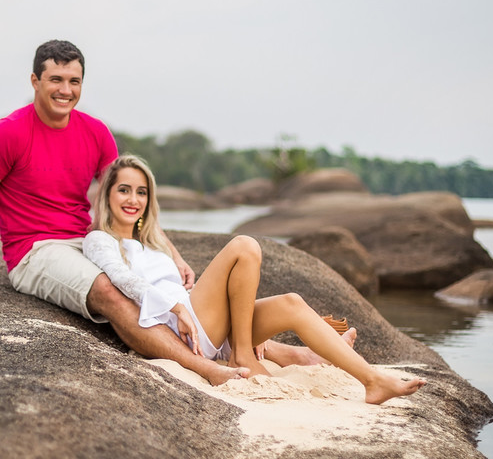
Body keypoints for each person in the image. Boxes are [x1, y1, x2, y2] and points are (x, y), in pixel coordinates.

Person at [0, 39, 248, 385]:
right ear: (35, 81)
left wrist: (172, 254)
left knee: (157, 285)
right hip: (36, 250)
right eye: (55, 79)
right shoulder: (5, 134)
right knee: (109, 289)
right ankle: (204, 368)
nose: (65, 90)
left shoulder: (96, 132)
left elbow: (127, 203)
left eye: (74, 81)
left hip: (89, 240)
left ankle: (257, 351)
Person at [83, 155, 427, 404]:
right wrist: (178, 305)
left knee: (291, 303)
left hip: (203, 320)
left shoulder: (154, 241)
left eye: (141, 192)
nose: (133, 200)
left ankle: (372, 380)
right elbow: (121, 280)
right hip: (178, 327)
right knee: (245, 245)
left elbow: (196, 287)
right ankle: (244, 355)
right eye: (124, 190)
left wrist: (239, 322)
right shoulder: (99, 240)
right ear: (108, 195)